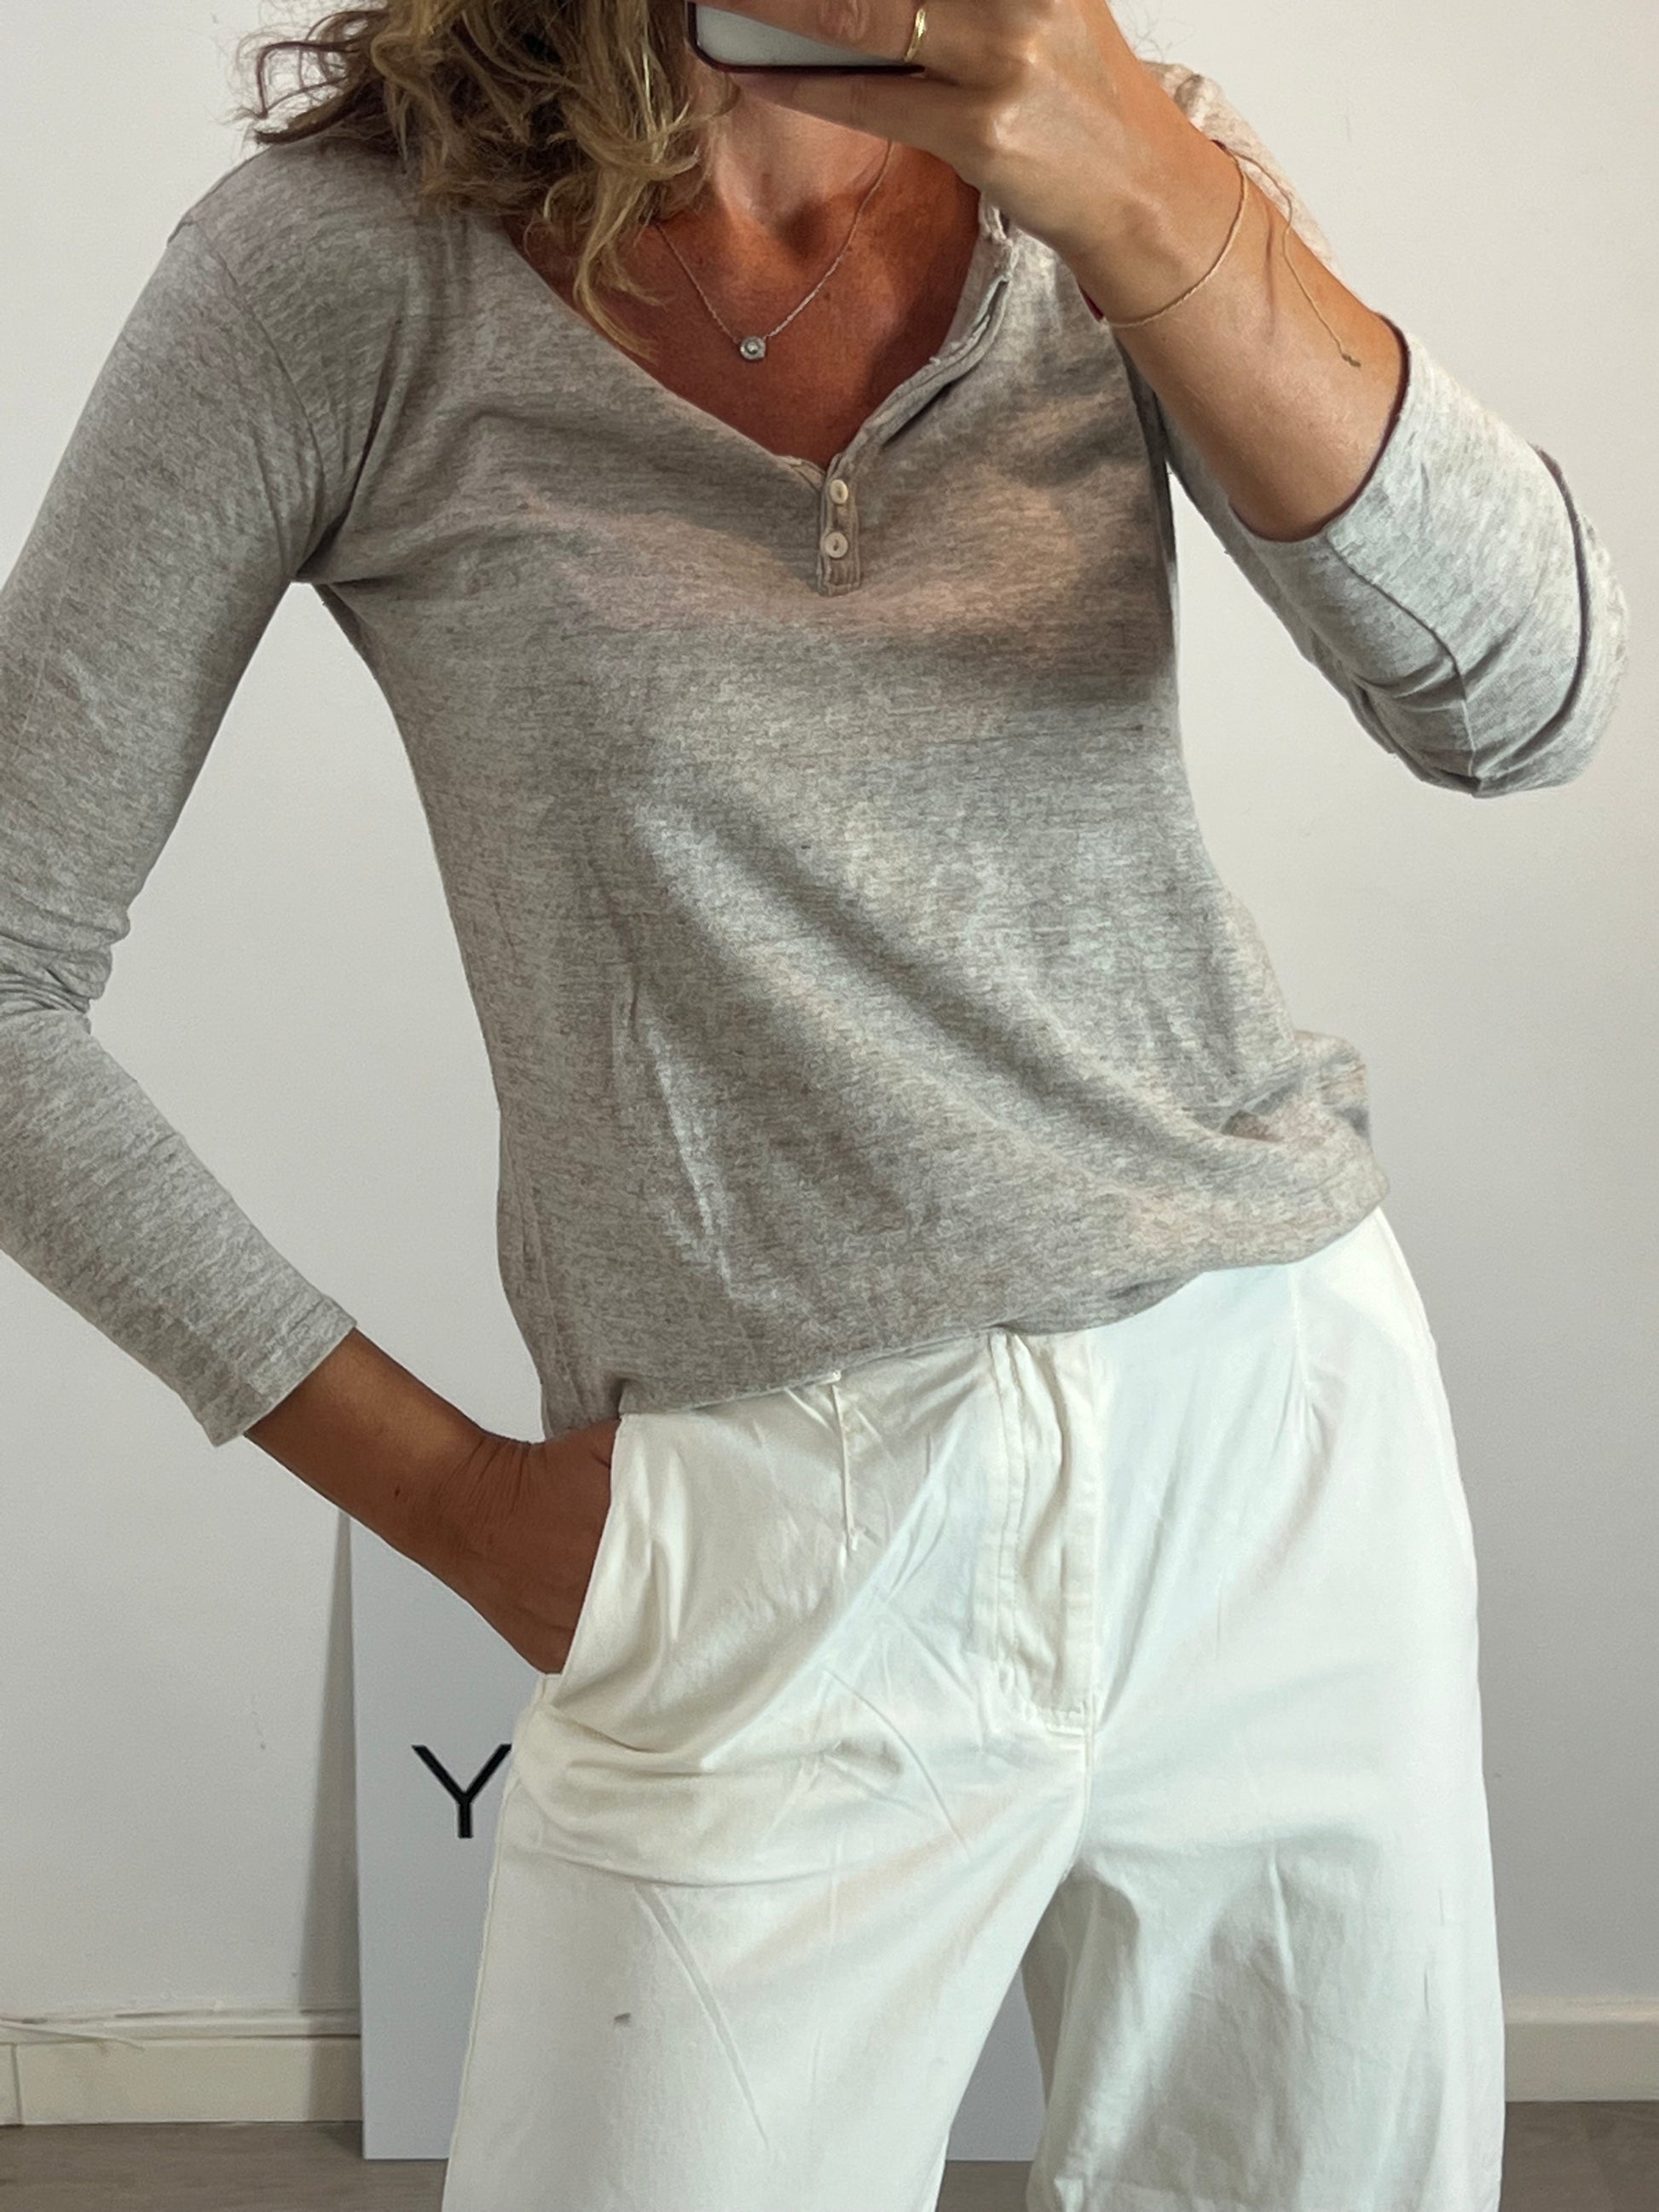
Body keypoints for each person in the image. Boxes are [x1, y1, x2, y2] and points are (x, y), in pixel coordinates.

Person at [0, 0, 1628, 2202]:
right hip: (772, 1511)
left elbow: (1526, 700)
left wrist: (1141, 180)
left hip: (1274, 1438)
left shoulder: (1103, 172)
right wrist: (455, 1501)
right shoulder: (346, 269)